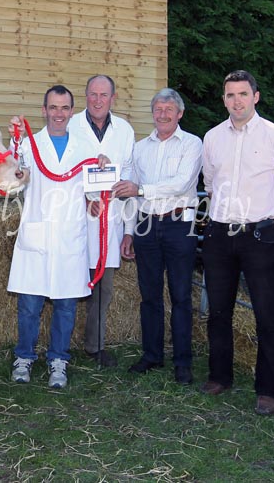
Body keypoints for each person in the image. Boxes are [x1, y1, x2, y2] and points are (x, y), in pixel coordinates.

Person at [201, 70, 274, 416]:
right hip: (219, 235)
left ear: (255, 96)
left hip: (260, 236)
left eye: (243, 94)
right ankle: (220, 376)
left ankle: (268, 391)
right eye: (230, 95)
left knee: (268, 315)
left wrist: (269, 221)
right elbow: (211, 183)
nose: (237, 101)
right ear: (224, 99)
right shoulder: (213, 137)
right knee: (218, 312)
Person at [7, 84, 108, 388]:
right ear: (44, 110)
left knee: (65, 306)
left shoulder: (86, 150)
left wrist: (98, 189)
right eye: (53, 107)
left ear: (72, 111)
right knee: (29, 305)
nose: (59, 114)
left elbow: (92, 196)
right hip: (37, 235)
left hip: (69, 238)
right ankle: (24, 357)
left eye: (64, 108)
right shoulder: (28, 146)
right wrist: (13, 142)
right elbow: (13, 178)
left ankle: (58, 361)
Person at [112, 88, 202, 385]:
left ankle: (182, 361)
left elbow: (181, 183)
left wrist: (140, 190)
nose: (163, 114)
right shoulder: (140, 148)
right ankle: (151, 355)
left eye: (169, 109)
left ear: (180, 114)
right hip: (145, 226)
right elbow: (129, 193)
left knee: (180, 295)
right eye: (158, 109)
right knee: (149, 295)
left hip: (179, 224)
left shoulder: (192, 144)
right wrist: (128, 231)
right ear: (153, 113)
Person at [68, 75, 136, 367]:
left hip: (112, 220)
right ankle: (60, 347)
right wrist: (83, 199)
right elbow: (62, 174)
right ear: (86, 96)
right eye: (93, 94)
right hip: (75, 219)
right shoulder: (70, 126)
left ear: (113, 97)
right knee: (68, 284)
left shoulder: (124, 131)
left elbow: (131, 181)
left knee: (102, 290)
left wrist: (129, 231)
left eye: (103, 95)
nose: (98, 100)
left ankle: (94, 346)